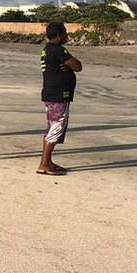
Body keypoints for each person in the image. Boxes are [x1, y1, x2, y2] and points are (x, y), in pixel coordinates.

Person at [37, 22, 83, 175]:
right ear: (59, 34)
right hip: (57, 95)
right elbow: (77, 65)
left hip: (54, 94)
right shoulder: (57, 50)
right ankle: (44, 164)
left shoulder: (48, 50)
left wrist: (67, 66)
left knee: (53, 127)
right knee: (55, 128)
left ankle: (48, 161)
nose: (67, 35)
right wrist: (69, 65)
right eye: (65, 32)